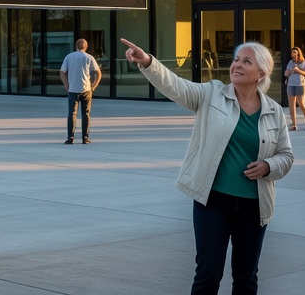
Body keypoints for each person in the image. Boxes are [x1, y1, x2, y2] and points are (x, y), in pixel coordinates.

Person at [121, 37, 293, 295]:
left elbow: (286, 155)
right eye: (236, 59)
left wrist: (269, 165)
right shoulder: (211, 94)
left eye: (246, 61)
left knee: (246, 278)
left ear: (262, 73)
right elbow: (175, 86)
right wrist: (147, 62)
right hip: (213, 202)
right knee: (208, 275)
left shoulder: (274, 111)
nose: (237, 65)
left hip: (254, 206)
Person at [59, 38, 101, 144]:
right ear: (86, 47)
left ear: (76, 46)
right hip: (86, 89)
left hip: (73, 89)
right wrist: (94, 86)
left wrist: (66, 84)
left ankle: (70, 137)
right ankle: (85, 137)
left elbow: (62, 72)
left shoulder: (69, 57)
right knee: (86, 113)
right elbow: (98, 73)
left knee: (72, 113)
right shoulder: (89, 57)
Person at [284, 47, 305, 130]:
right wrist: (287, 72)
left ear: (298, 53)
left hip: (300, 84)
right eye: (292, 52)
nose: (293, 53)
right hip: (290, 84)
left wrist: (298, 70)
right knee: (291, 105)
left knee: (301, 104)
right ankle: (294, 124)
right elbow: (286, 73)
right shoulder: (290, 62)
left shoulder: (304, 62)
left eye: (294, 52)